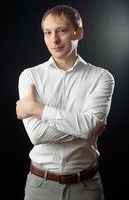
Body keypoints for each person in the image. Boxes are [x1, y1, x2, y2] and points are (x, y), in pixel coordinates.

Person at [16, 4, 115, 200]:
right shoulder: (30, 76)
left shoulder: (102, 77)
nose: (54, 40)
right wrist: (82, 124)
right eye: (48, 32)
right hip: (40, 185)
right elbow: (36, 135)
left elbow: (90, 128)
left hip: (86, 187)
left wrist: (38, 109)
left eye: (62, 30)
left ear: (78, 32)